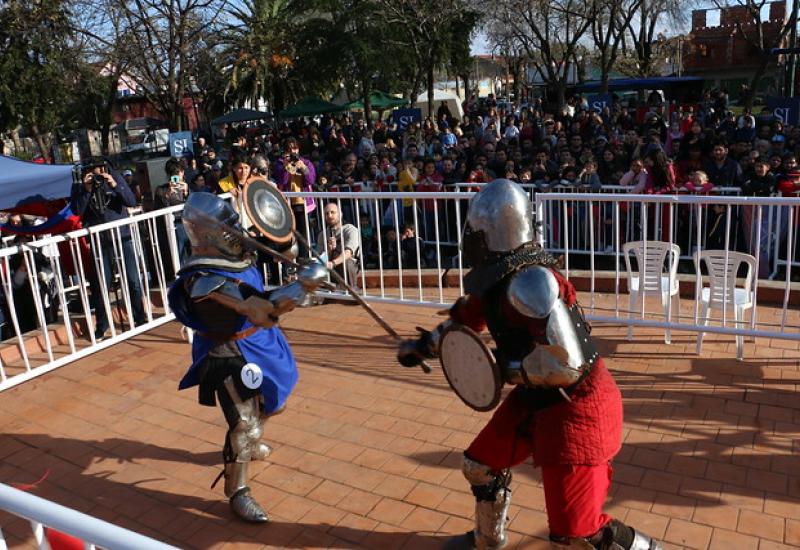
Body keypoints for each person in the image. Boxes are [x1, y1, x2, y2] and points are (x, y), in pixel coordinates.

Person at [396, 179, 663, 550]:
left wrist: (498, 368)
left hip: (578, 406)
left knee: (577, 536)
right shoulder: (496, 278)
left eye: (477, 231)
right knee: (480, 466)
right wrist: (424, 346)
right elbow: (464, 323)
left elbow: (567, 364)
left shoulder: (533, 282)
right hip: (534, 398)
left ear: (495, 231)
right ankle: (487, 539)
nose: (470, 238)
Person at [167, 192, 327, 523]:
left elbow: (277, 249)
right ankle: (237, 490)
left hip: (260, 342)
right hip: (226, 352)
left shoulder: (234, 253)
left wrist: (291, 250)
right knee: (243, 423)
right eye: (226, 228)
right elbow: (261, 308)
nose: (235, 232)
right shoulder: (204, 280)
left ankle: (250, 444)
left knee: (274, 402)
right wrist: (302, 287)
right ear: (208, 234)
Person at [70, 161, 146, 340]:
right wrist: (86, 189)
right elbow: (77, 210)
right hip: (100, 241)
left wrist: (114, 184)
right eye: (90, 169)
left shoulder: (115, 177)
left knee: (133, 280)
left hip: (123, 237)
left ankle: (139, 317)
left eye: (98, 168)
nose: (96, 172)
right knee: (101, 286)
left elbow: (131, 201)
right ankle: (102, 325)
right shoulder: (80, 185)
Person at [154, 157, 191, 278]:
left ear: (183, 172)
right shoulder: (161, 190)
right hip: (174, 226)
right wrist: (167, 195)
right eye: (172, 174)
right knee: (178, 256)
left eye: (178, 172)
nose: (176, 177)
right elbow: (158, 210)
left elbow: (195, 203)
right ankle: (182, 279)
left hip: (190, 224)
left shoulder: (188, 187)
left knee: (194, 255)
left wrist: (187, 193)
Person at [315, 202, 361, 287]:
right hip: (329, 266)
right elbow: (320, 258)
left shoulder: (350, 230)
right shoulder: (322, 235)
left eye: (333, 212)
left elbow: (349, 252)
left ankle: (350, 291)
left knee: (347, 263)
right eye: (327, 213)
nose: (329, 215)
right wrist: (329, 250)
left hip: (347, 265)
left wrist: (333, 263)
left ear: (340, 214)